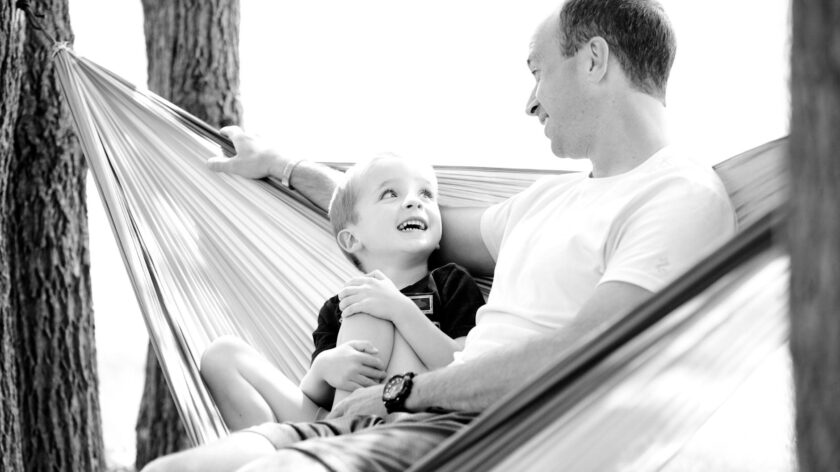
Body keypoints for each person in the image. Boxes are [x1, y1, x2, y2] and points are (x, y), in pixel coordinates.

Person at [142, 1, 738, 471]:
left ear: (594, 60)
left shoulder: (677, 197)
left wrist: (401, 392)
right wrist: (286, 167)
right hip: (392, 418)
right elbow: (399, 226)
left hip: (472, 434)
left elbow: (584, 354)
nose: (530, 102)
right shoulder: (550, 201)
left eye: (537, 70)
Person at [199, 154, 485, 430]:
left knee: (367, 306)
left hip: (415, 423)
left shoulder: (451, 282)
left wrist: (399, 309)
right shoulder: (337, 307)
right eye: (390, 194)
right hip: (337, 424)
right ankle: (276, 452)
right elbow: (317, 396)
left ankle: (336, 446)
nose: (414, 202)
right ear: (351, 239)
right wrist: (323, 368)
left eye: (426, 194)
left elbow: (465, 369)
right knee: (222, 356)